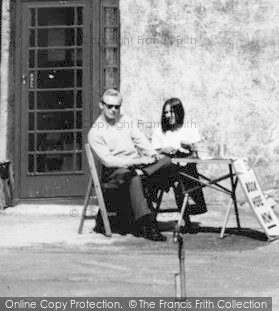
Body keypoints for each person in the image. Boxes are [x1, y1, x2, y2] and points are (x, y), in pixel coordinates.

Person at [88, 89, 180, 241]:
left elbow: (141, 141)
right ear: (101, 105)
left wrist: (153, 154)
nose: (113, 110)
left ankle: (141, 176)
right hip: (115, 172)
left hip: (137, 167)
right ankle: (148, 224)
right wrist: (137, 162)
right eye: (109, 106)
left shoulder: (126, 121)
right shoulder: (95, 132)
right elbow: (108, 161)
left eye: (117, 107)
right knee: (132, 177)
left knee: (167, 162)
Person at [152, 98, 208, 233]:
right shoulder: (160, 130)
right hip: (165, 170)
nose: (168, 115)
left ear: (179, 112)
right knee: (178, 178)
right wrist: (163, 150)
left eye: (172, 112)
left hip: (187, 168)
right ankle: (186, 218)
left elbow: (198, 151)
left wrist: (190, 146)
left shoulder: (189, 127)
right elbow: (153, 151)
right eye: (166, 112)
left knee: (182, 176)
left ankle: (187, 212)